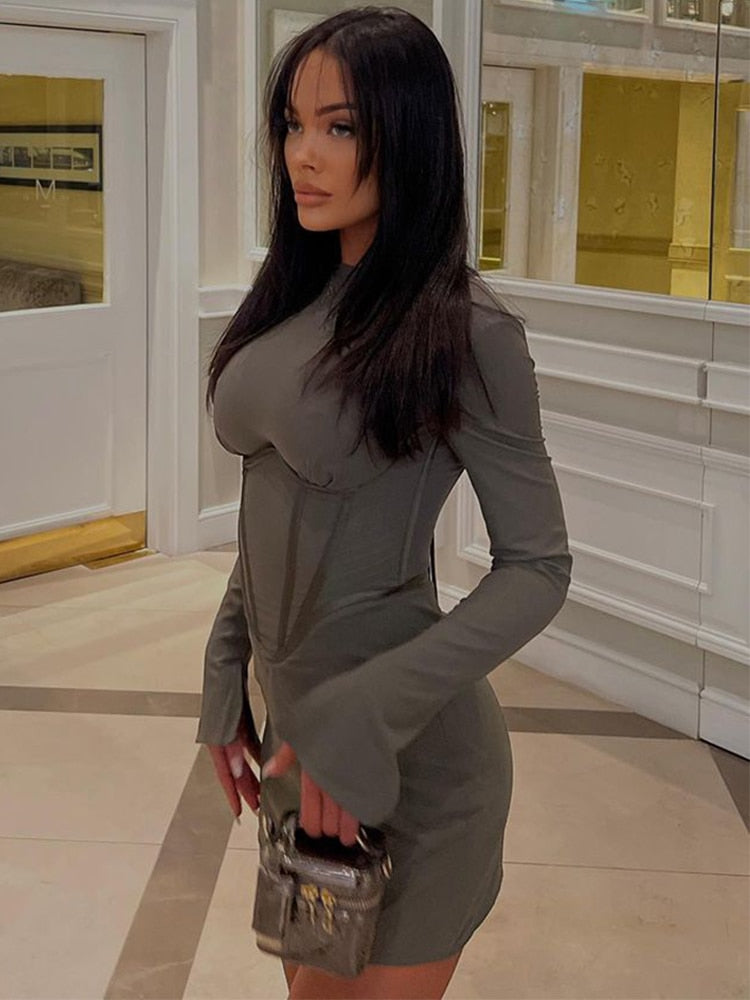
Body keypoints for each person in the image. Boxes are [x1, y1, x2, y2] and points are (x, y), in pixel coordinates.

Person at [196, 7, 571, 999]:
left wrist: (361, 714)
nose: (303, 154)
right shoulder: (291, 295)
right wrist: (225, 670)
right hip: (302, 755)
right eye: (293, 123)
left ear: (406, 134)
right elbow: (273, 510)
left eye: (341, 126)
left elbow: (539, 567)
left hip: (416, 763)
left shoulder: (468, 330)